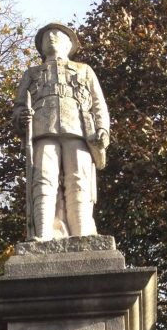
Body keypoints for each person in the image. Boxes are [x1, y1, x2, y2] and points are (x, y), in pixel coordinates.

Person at [13, 23, 110, 239]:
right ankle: (44, 235)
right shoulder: (31, 74)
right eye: (47, 35)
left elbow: (98, 104)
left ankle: (82, 235)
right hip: (42, 130)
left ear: (69, 43)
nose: (52, 37)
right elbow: (18, 107)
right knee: (43, 180)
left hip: (79, 130)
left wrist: (103, 129)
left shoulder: (85, 70)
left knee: (78, 180)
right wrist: (21, 117)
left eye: (57, 34)